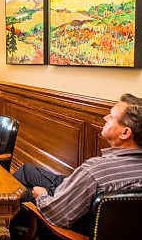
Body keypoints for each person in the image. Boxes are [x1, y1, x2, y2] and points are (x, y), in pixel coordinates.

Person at [10, 93, 142, 238]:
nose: (105, 118)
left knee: (20, 193)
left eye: (111, 117)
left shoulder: (94, 171)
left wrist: (41, 195)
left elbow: (56, 215)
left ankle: (6, 229)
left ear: (125, 132)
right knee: (26, 170)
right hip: (92, 209)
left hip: (73, 221)